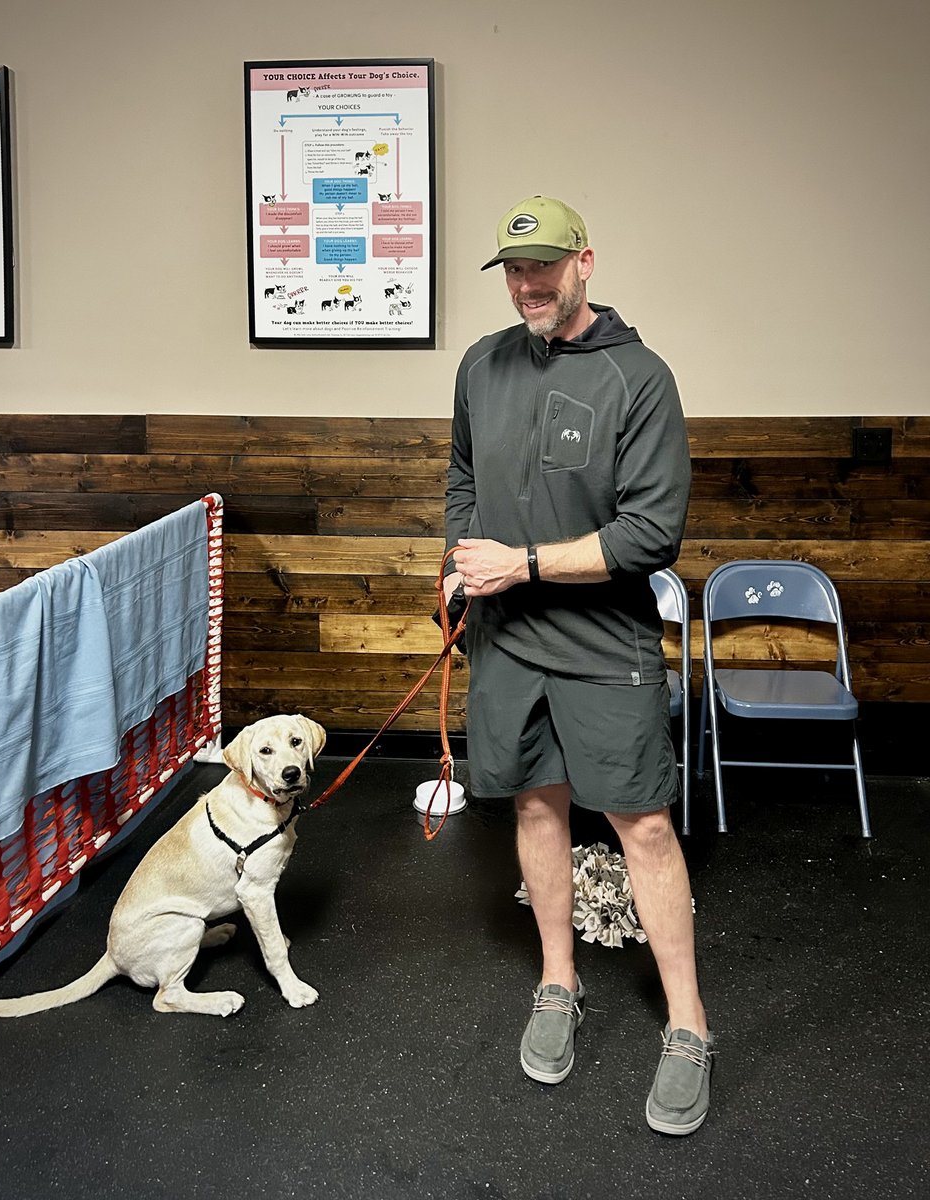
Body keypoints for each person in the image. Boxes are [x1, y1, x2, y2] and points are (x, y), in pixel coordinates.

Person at [444, 195, 712, 1135]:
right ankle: (558, 981)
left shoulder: (641, 379)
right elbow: (463, 482)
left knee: (641, 826)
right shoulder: (481, 365)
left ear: (585, 263)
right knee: (532, 805)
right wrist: (458, 564)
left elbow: (651, 534)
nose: (529, 285)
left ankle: (686, 1025)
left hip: (606, 643)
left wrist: (520, 565)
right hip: (506, 640)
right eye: (516, 270)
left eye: (546, 268)